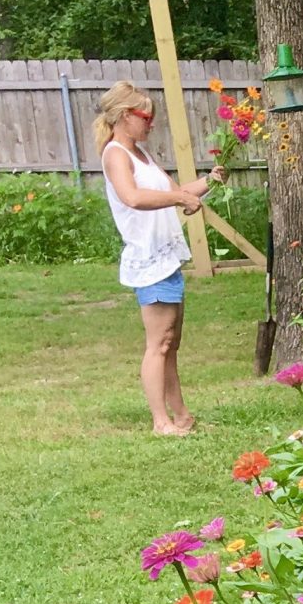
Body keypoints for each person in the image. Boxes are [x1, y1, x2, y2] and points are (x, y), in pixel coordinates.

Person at [96, 78, 210, 437]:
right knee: (157, 345)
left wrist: (210, 180)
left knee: (170, 343)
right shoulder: (115, 154)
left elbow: (174, 192)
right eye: (146, 116)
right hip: (148, 262)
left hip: (167, 259)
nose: (151, 123)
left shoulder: (142, 154)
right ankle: (161, 422)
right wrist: (180, 200)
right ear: (124, 116)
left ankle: (182, 417)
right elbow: (133, 197)